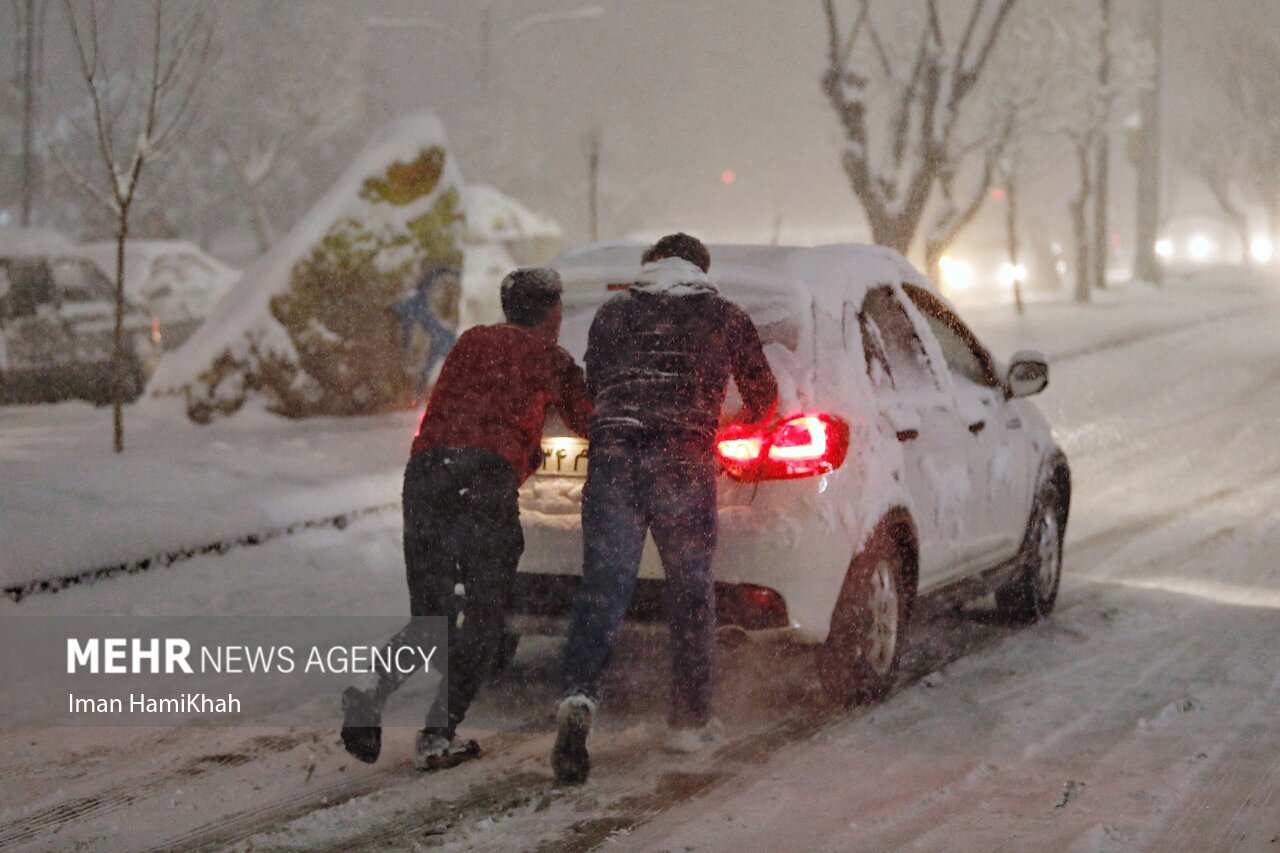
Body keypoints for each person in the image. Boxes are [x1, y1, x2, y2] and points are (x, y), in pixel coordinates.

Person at [342, 267, 591, 771]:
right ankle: (437, 735)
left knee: (430, 618)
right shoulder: (551, 358)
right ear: (552, 313)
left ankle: (369, 693)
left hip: (428, 474)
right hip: (483, 482)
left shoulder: (472, 341)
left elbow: (473, 403)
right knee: (483, 618)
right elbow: (590, 419)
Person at [553, 233, 778, 785]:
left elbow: (600, 387)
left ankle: (579, 699)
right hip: (683, 458)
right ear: (701, 270)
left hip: (614, 459)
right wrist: (732, 430)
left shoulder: (611, 314)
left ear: (650, 266)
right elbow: (763, 395)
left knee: (604, 589)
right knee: (691, 590)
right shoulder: (724, 316)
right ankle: (688, 721)